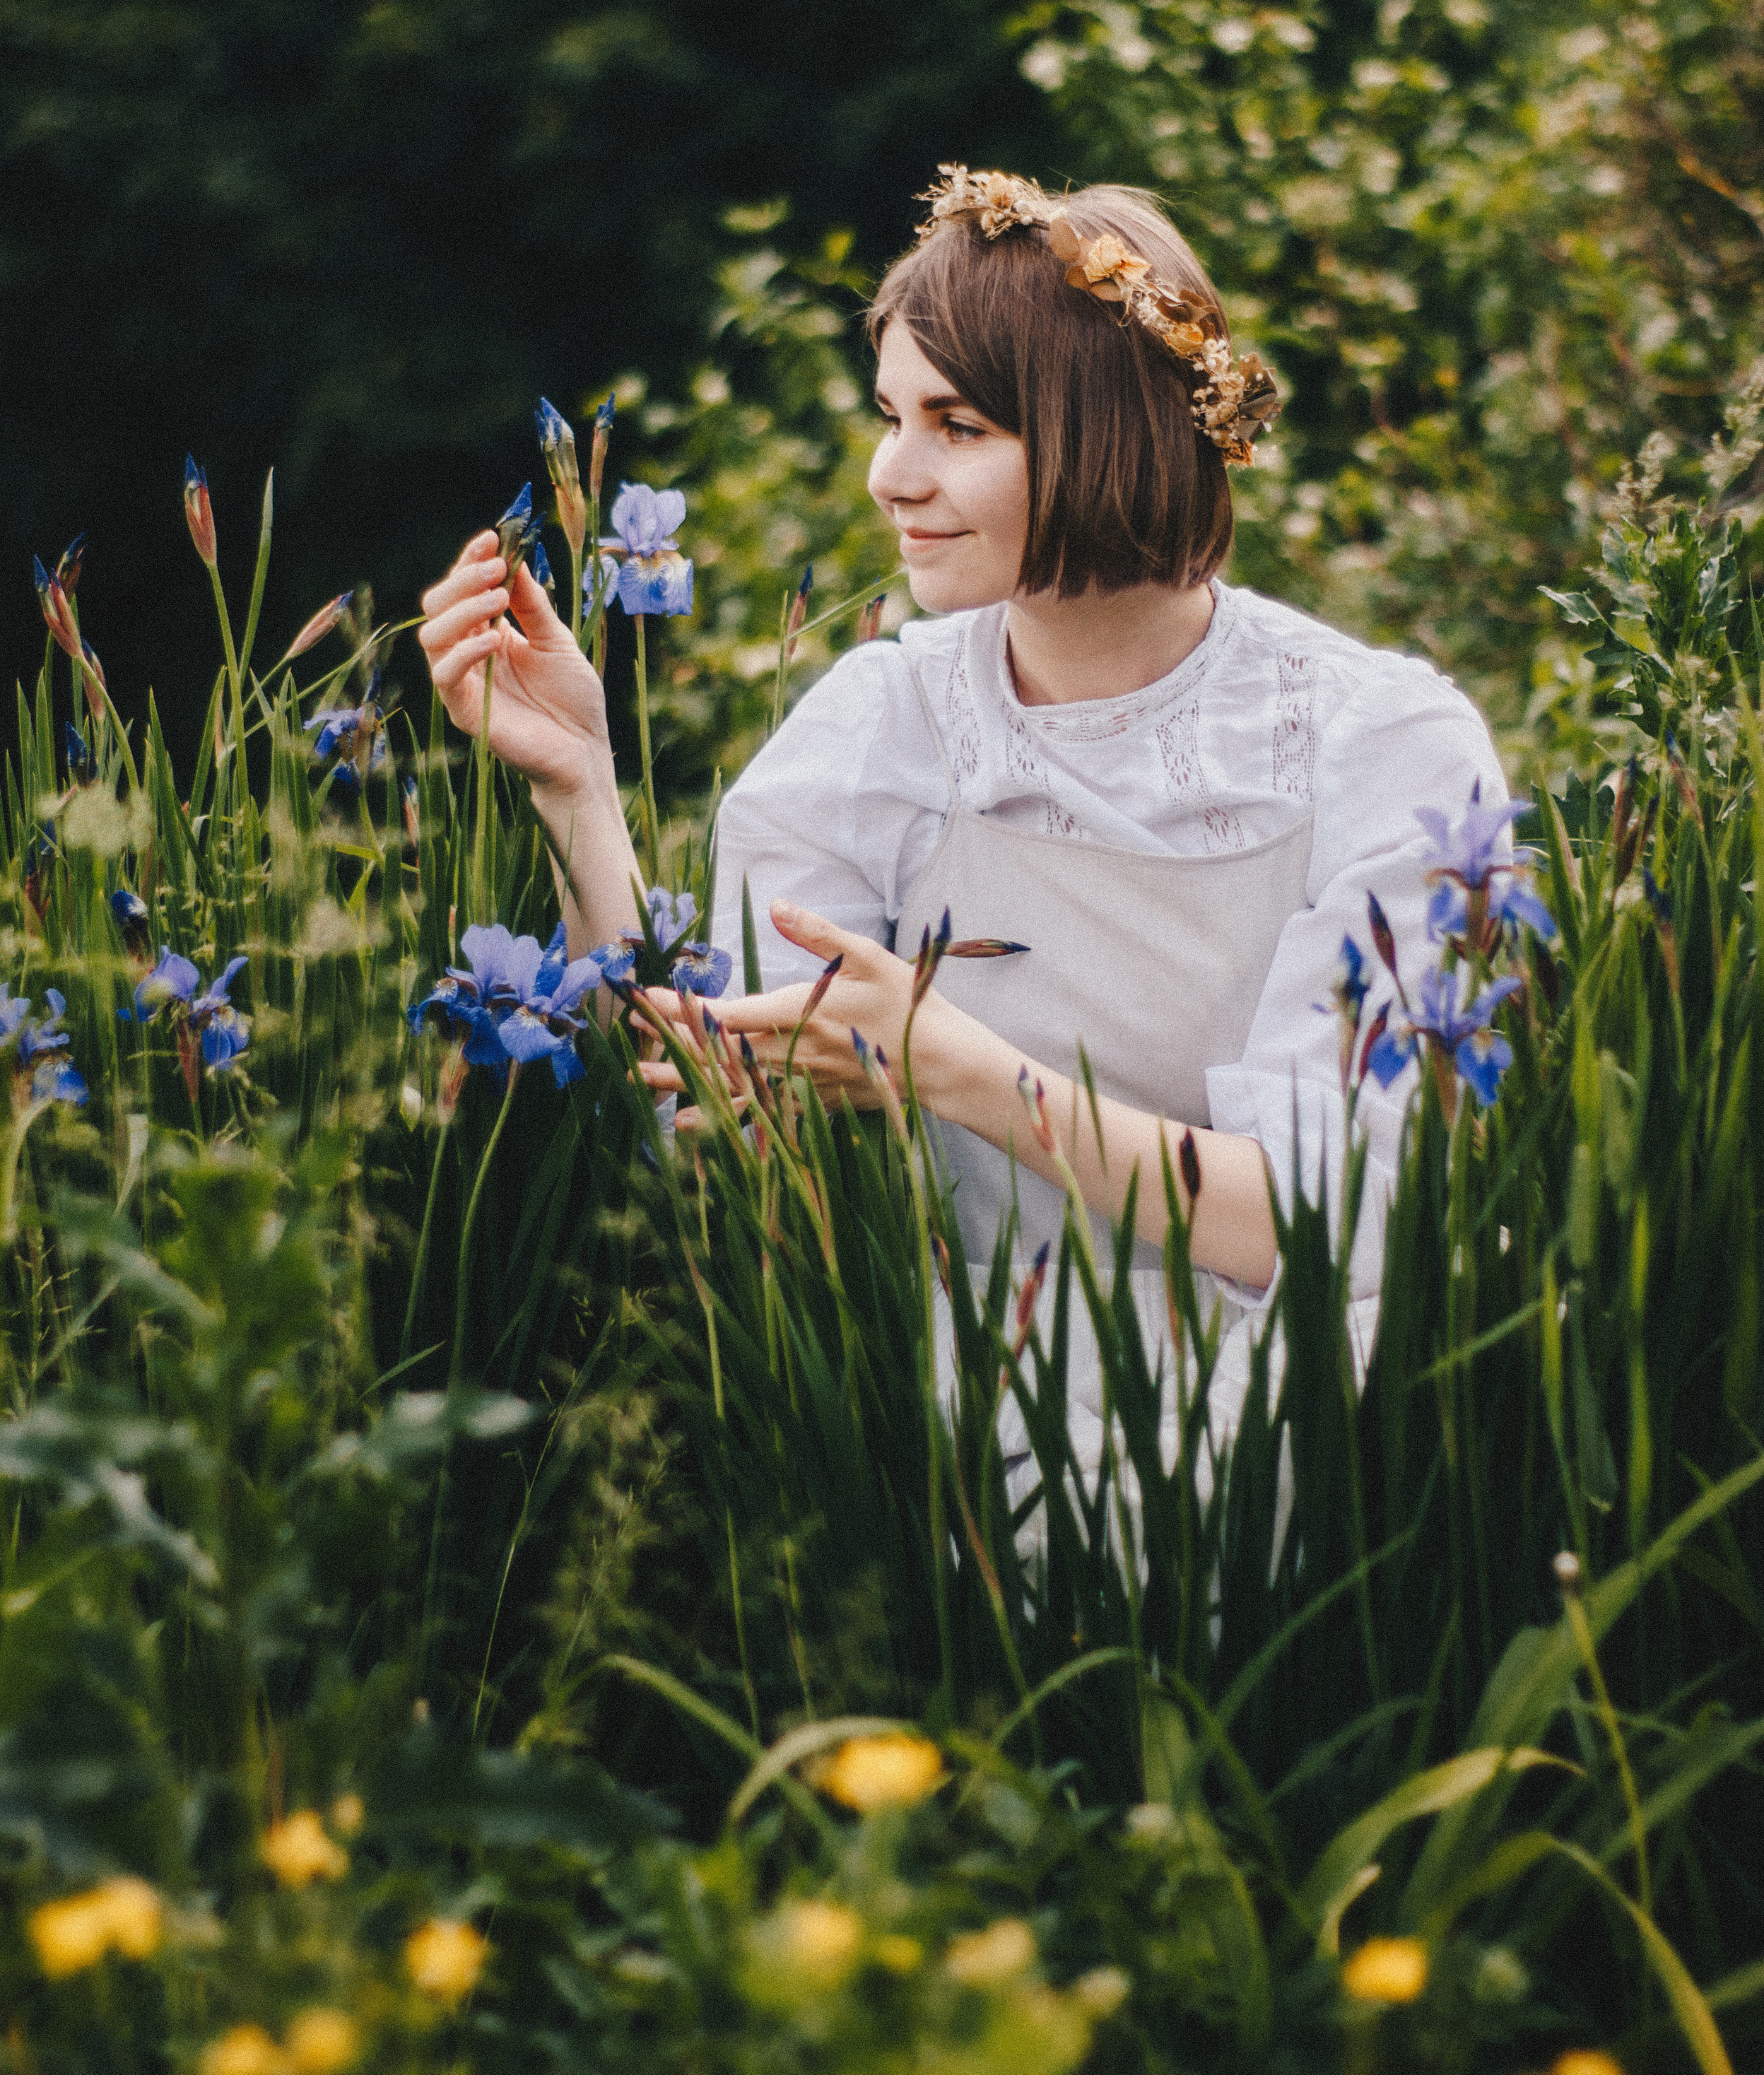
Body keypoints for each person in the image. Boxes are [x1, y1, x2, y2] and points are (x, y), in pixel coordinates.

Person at [418, 167, 1505, 1460]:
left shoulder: (1376, 742)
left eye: (959, 425)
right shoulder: (880, 727)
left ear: (1109, 429)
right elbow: (718, 1128)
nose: (892, 475)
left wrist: (956, 1069)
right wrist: (579, 785)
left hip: (1301, 1421)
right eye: (889, 416)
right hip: (943, 1431)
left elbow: (1344, 1219)